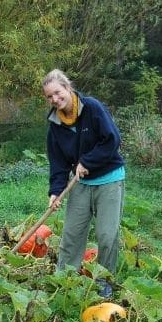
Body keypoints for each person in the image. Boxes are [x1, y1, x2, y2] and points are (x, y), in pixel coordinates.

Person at [42, 69, 126, 297]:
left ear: (68, 88)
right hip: (81, 183)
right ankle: (64, 280)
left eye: (58, 93)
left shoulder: (92, 108)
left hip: (109, 179)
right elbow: (58, 163)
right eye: (49, 97)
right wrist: (55, 192)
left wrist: (87, 161)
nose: (55, 99)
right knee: (71, 234)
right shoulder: (55, 125)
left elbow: (111, 140)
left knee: (107, 236)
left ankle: (104, 282)